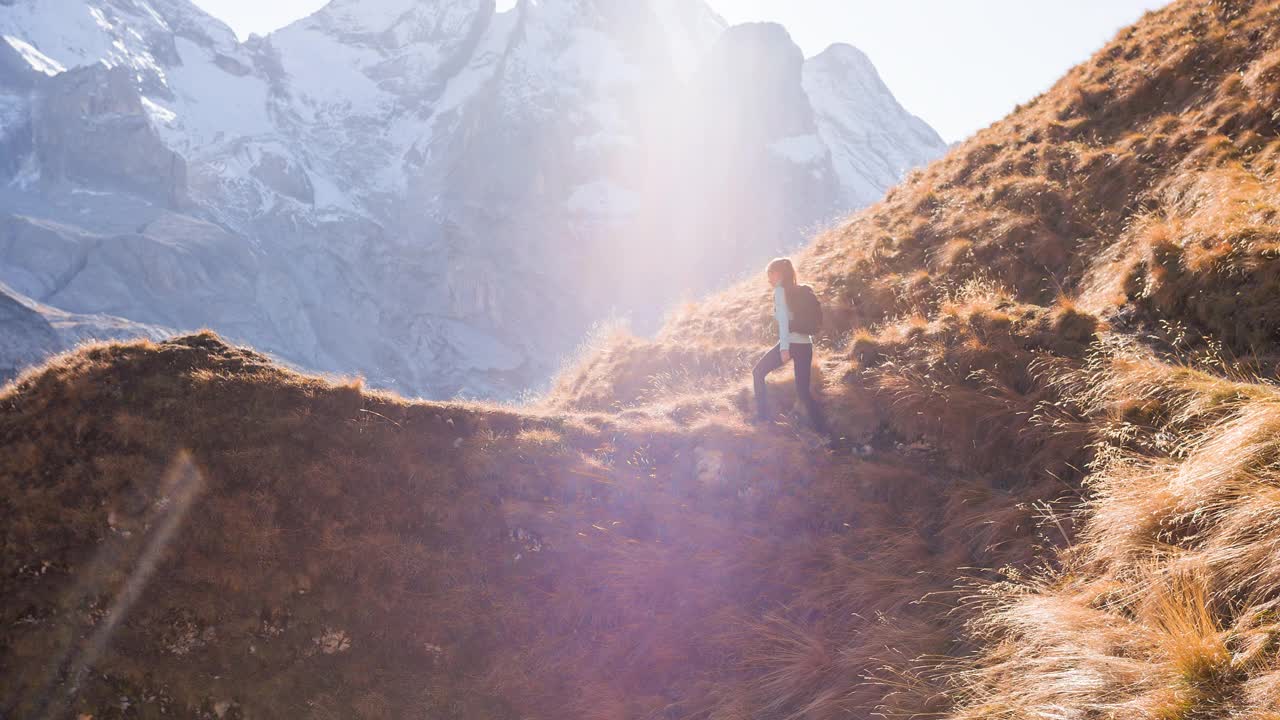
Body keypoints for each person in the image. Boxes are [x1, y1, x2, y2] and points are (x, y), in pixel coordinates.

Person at [753, 257, 829, 434]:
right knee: (803, 393)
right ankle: (824, 431)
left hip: (791, 344)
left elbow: (784, 323)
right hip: (805, 345)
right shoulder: (798, 290)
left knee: (757, 372)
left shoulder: (780, 292)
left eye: (770, 274)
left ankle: (762, 418)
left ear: (779, 274)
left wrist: (784, 348)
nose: (768, 279)